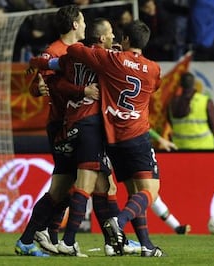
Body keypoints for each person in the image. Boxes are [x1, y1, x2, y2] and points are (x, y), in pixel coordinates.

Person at [66, 20, 165, 257]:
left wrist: (105, 50)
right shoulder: (153, 69)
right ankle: (118, 222)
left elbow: (74, 50)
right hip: (138, 135)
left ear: (126, 40)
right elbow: (156, 86)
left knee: (134, 192)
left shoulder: (112, 60)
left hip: (113, 139)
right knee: (151, 191)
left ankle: (147, 245)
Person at [15, 5, 87, 257]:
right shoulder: (54, 52)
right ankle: (37, 234)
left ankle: (49, 235)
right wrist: (39, 89)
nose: (86, 25)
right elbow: (39, 85)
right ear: (75, 24)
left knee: (72, 185)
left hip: (76, 124)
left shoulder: (79, 51)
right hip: (62, 125)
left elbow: (40, 83)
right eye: (83, 20)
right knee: (66, 185)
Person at [168, 72, 214, 150]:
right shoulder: (205, 101)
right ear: (194, 84)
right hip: (204, 147)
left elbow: (171, 123)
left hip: (180, 147)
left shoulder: (172, 103)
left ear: (180, 84)